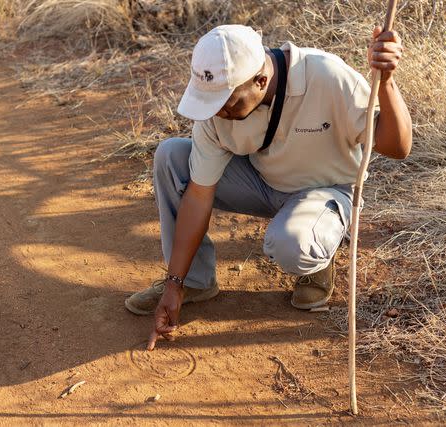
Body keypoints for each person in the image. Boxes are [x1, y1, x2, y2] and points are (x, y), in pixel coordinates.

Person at [124, 24, 412, 350]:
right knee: (172, 157)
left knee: (292, 242)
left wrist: (386, 83)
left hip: (324, 192)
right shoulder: (216, 112)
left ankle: (319, 261)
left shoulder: (329, 77)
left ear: (260, 81)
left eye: (226, 102)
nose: (217, 112)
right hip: (262, 183)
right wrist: (174, 285)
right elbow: (199, 194)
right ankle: (196, 282)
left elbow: (397, 147)